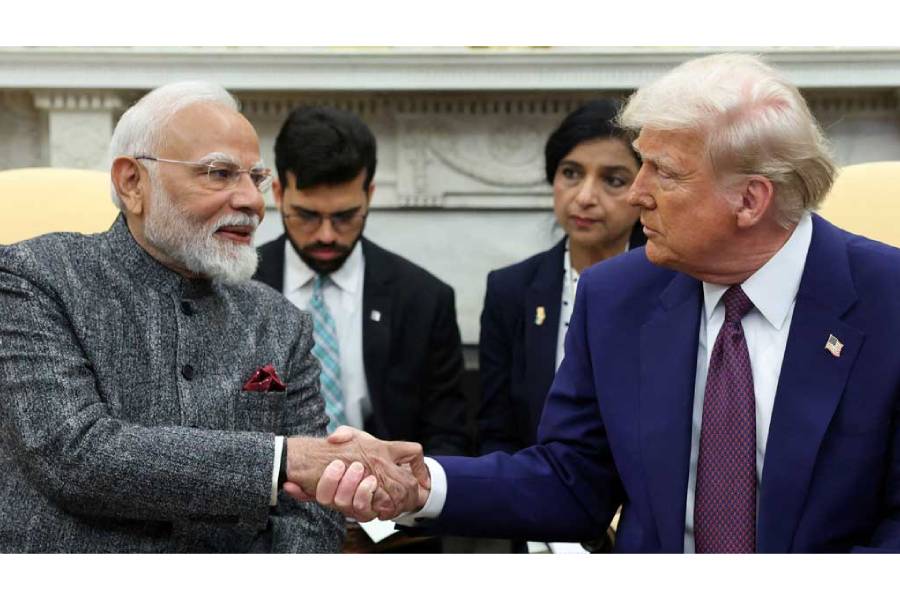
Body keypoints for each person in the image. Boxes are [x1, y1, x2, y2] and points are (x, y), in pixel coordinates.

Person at [308, 53, 900, 553]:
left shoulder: (887, 300)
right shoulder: (618, 295)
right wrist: (419, 485)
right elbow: (572, 482)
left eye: (662, 173)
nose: (636, 193)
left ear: (750, 200)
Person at [0, 81, 424, 553]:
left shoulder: (279, 321)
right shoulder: (33, 278)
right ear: (132, 182)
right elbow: (76, 456)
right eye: (219, 174)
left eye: (256, 178)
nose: (253, 202)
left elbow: (312, 511)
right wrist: (281, 461)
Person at [254, 106, 470, 457]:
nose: (326, 235)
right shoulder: (236, 288)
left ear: (369, 195)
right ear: (278, 195)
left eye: (344, 216)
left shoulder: (423, 299)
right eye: (307, 215)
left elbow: (448, 437)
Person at [478, 99, 645, 457]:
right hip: (539, 496)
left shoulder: (674, 282)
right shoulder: (511, 290)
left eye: (613, 180)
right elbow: (496, 434)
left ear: (644, 191)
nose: (584, 197)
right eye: (571, 173)